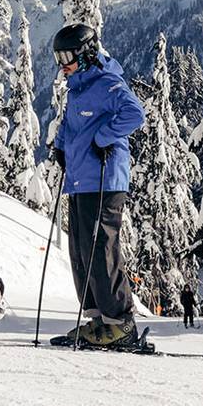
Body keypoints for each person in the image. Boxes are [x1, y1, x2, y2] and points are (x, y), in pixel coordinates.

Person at [46, 23, 146, 348]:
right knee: (80, 250)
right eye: (58, 58)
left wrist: (104, 137)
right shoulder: (77, 88)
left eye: (67, 57)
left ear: (86, 53)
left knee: (101, 249)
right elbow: (70, 124)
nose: (62, 64)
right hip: (80, 180)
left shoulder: (107, 83)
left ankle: (121, 323)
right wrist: (60, 146)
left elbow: (135, 114)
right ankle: (98, 318)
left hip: (104, 180)